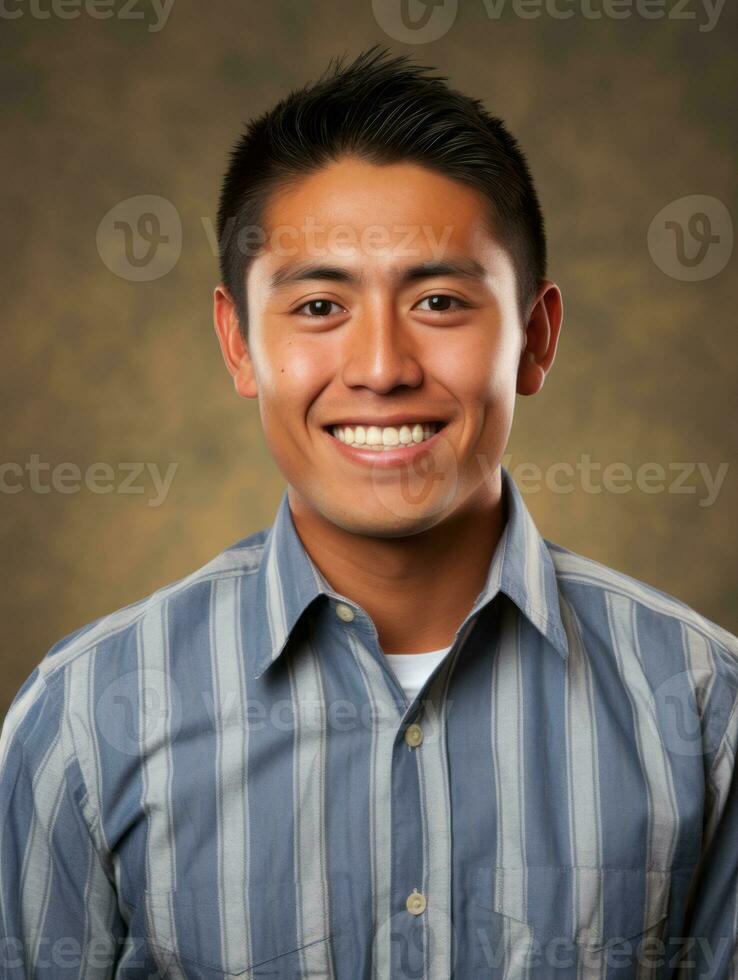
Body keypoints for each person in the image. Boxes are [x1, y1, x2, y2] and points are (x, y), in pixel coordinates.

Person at [1, 46, 736, 980]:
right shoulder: (83, 721)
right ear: (238, 342)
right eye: (318, 305)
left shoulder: (707, 708)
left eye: (438, 300)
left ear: (536, 339)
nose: (382, 367)